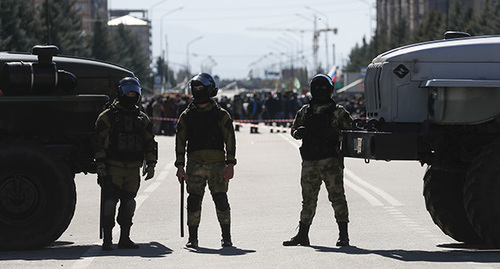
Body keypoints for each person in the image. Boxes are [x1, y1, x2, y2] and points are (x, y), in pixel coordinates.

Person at [283, 74, 352, 247]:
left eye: (323, 87)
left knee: (337, 198)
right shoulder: (305, 111)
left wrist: (336, 135)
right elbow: (293, 129)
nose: (320, 90)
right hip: (309, 162)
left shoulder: (339, 112)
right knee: (308, 200)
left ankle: (343, 235)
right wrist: (298, 132)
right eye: (317, 87)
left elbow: (352, 136)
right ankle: (302, 234)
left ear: (330, 90)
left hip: (331, 162)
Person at [93, 77, 158, 251]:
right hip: (113, 167)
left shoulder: (141, 118)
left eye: (134, 92)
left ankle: (124, 238)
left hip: (133, 169)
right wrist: (100, 164)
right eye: (128, 91)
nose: (131, 95)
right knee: (109, 203)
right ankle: (107, 239)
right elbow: (98, 142)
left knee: (129, 203)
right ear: (121, 92)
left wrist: (151, 163)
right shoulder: (108, 117)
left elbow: (150, 142)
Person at [175, 73, 237, 248]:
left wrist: (230, 164)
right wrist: (180, 166)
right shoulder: (186, 116)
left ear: (209, 90)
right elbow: (180, 142)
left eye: (201, 88)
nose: (198, 91)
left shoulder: (221, 115)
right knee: (193, 201)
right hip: (194, 165)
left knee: (221, 200)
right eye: (195, 88)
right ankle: (192, 238)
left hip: (218, 165)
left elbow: (230, 140)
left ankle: (226, 236)